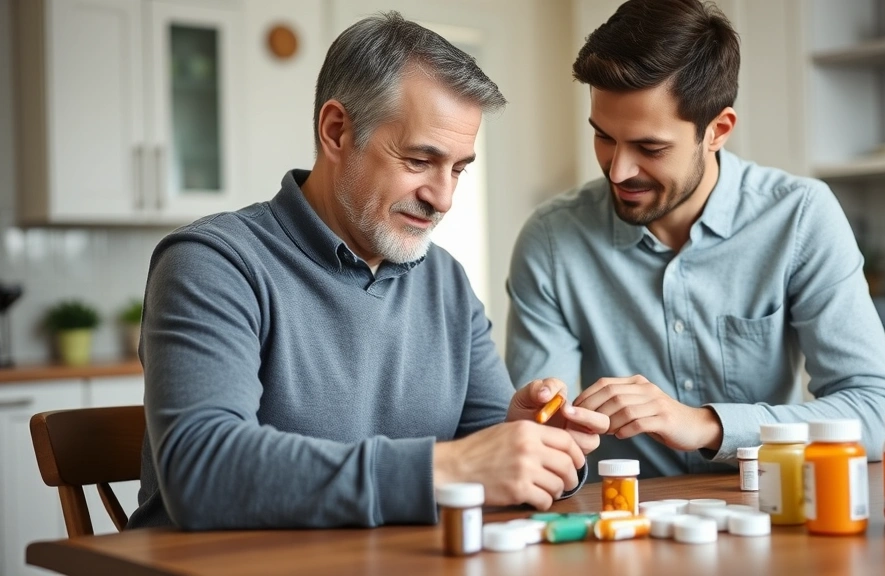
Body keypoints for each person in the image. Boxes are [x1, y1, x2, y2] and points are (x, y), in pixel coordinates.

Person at [128, 12, 607, 530]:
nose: (442, 197)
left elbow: (486, 455)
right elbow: (203, 472)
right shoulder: (213, 263)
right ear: (337, 131)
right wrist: (446, 467)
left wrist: (534, 445)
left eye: (459, 168)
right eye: (420, 161)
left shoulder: (445, 281)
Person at [505, 0, 885, 477]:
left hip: (768, 519)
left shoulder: (798, 217)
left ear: (717, 130)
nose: (619, 170)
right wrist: (544, 430)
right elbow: (536, 437)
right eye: (604, 137)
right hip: (621, 528)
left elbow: (880, 413)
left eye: (650, 148)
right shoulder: (551, 241)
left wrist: (709, 425)